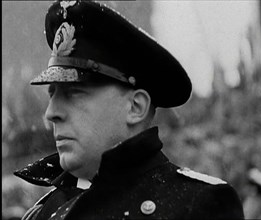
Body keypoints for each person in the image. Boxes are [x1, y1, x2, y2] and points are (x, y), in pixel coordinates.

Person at [14, 1, 244, 219]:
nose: (50, 114)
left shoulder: (196, 206)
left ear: (136, 107)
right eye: (52, 94)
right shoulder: (42, 212)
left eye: (73, 93)